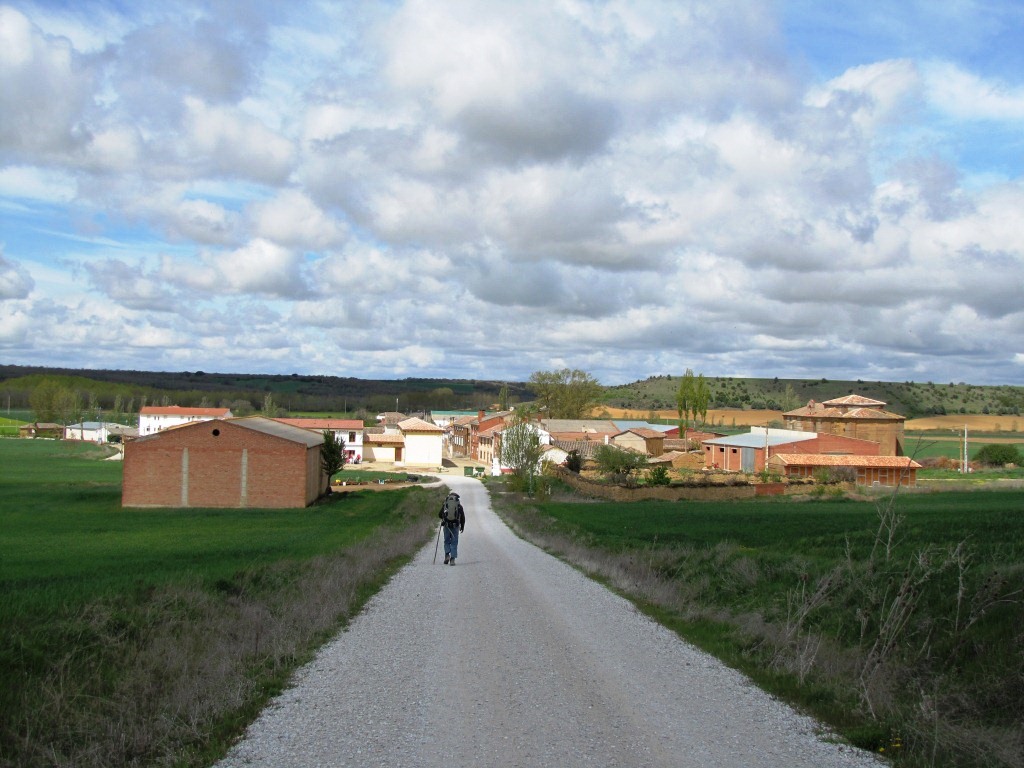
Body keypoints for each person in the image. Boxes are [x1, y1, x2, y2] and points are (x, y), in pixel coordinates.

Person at [438, 491, 465, 565]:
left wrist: (444, 518)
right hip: (455, 526)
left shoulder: (445, 505)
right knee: (454, 542)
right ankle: (452, 559)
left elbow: (439, 515)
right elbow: (462, 517)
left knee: (446, 541)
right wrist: (462, 526)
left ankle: (447, 555)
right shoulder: (459, 506)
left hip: (446, 526)